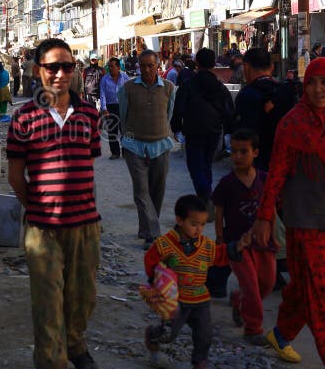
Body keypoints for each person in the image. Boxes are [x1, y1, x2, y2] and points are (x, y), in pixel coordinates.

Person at [251, 58, 325, 369]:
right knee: (323, 287)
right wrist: (265, 215)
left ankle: (281, 335)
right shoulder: (292, 124)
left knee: (305, 285)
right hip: (304, 219)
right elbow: (277, 173)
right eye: (313, 82)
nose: (318, 90)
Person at [7, 38, 102, 369]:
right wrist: (39, 208)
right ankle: (52, 368)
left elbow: (86, 163)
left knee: (83, 298)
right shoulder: (24, 118)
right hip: (43, 228)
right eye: (52, 67)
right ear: (39, 71)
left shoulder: (91, 114)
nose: (61, 74)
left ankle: (76, 345)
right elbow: (16, 177)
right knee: (48, 304)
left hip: (85, 224)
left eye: (68, 67)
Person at [144, 195, 250, 369]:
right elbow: (151, 262)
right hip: (175, 301)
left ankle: (199, 361)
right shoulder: (164, 245)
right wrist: (158, 282)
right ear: (179, 220)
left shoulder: (206, 246)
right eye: (194, 224)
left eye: (202, 225)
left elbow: (220, 255)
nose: (199, 229)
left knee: (204, 334)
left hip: (200, 299)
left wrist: (238, 246)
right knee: (169, 335)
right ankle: (152, 335)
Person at [211, 129, 275, 346]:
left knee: (267, 283)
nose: (237, 156)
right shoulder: (227, 183)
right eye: (234, 151)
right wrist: (220, 238)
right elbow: (218, 212)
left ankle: (238, 301)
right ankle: (253, 329)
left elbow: (273, 208)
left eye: (243, 152)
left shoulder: (265, 179)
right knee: (251, 285)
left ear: (255, 152)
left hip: (263, 242)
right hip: (236, 246)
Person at [117, 49, 176, 250]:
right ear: (138, 67)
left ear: (158, 66)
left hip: (161, 145)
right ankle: (154, 234)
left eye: (151, 65)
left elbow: (169, 115)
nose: (147, 69)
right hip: (134, 146)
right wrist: (128, 138)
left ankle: (147, 228)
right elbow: (123, 116)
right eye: (143, 66)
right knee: (141, 191)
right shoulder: (128, 88)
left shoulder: (168, 88)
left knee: (156, 190)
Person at [171, 48, 234, 206]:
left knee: (195, 166)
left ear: (197, 63)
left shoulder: (189, 85)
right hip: (214, 130)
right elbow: (229, 109)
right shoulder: (220, 87)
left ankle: (206, 197)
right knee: (206, 164)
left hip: (194, 130)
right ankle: (205, 197)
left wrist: (176, 128)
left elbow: (178, 109)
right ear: (214, 63)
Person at [232, 48, 296, 172]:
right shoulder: (286, 92)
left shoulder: (246, 95)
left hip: (258, 165)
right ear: (271, 67)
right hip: (284, 162)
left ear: (246, 67)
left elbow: (243, 133)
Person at [99, 56, 129, 159]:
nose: (110, 68)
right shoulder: (105, 79)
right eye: (109, 66)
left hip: (123, 106)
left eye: (112, 66)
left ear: (118, 67)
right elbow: (102, 94)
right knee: (112, 131)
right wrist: (104, 108)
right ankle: (115, 152)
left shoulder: (125, 77)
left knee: (124, 130)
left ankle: (126, 152)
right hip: (110, 107)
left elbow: (130, 92)